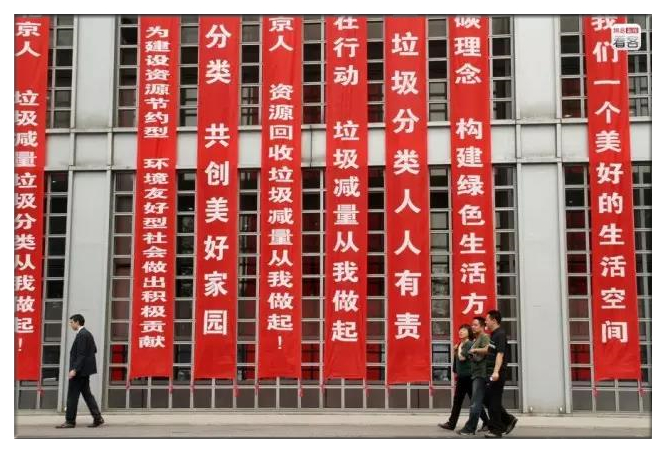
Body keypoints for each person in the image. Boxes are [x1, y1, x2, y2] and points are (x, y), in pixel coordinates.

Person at [56, 314, 104, 429]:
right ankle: (98, 418)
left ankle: (70, 421)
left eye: (71, 322)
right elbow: (94, 349)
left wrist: (74, 369)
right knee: (87, 395)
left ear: (77, 322)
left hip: (79, 371)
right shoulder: (87, 334)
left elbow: (81, 354)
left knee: (72, 396)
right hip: (84, 371)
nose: (70, 324)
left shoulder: (82, 335)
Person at [439, 324, 489, 431]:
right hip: (462, 377)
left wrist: (458, 348)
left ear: (469, 333)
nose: (461, 332)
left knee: (471, 402)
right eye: (460, 330)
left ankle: (486, 422)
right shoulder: (460, 344)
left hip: (469, 377)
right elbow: (457, 360)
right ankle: (452, 423)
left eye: (464, 330)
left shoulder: (469, 344)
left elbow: (462, 357)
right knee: (461, 401)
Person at [483, 309, 518, 438]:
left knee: (494, 402)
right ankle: (507, 420)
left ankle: (496, 430)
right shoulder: (494, 334)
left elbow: (500, 354)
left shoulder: (500, 334)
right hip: (491, 373)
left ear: (494, 320)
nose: (485, 322)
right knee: (488, 399)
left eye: (487, 320)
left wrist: (496, 372)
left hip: (497, 373)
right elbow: (491, 351)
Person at [457, 317, 491, 436]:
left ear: (482, 326)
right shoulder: (477, 339)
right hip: (476, 373)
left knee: (475, 403)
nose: (473, 327)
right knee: (485, 401)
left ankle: (470, 428)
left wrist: (474, 350)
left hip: (480, 374)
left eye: (475, 325)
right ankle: (506, 420)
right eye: (472, 325)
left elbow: (487, 349)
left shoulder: (484, 337)